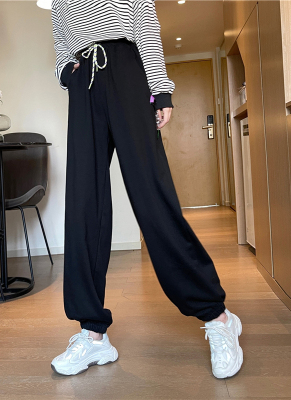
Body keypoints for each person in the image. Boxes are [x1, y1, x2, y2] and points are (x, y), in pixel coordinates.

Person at [50, 0, 243, 379]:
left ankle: (217, 315)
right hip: (83, 81)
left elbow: (145, 27)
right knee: (83, 205)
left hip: (127, 71)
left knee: (152, 198)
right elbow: (60, 41)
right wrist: (66, 74)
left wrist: (161, 89)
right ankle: (92, 333)